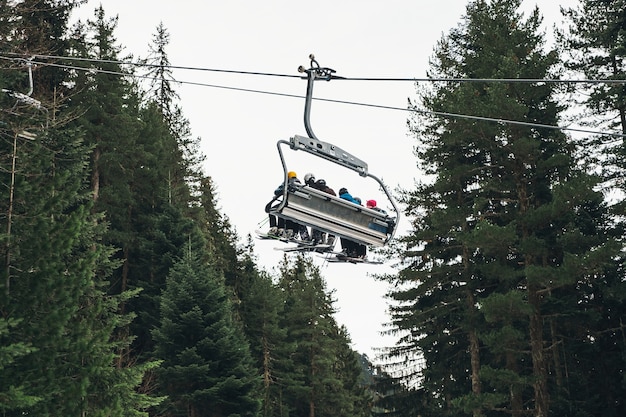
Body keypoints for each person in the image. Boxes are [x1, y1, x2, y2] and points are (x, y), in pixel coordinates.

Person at [267, 171, 310, 241]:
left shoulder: (287, 183)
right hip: (297, 207)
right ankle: (291, 231)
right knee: (292, 214)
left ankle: (276, 229)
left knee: (275, 210)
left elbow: (277, 191)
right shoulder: (300, 185)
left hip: (287, 205)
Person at [338, 187, 367, 258]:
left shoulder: (341, 200)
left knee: (344, 232)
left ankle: (347, 250)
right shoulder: (355, 202)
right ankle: (357, 252)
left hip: (348, 224)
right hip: (357, 226)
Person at [309, 177, 337, 247]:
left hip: (321, 212)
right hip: (332, 214)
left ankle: (318, 238)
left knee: (317, 222)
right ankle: (329, 239)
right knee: (329, 224)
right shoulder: (331, 191)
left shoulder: (319, 191)